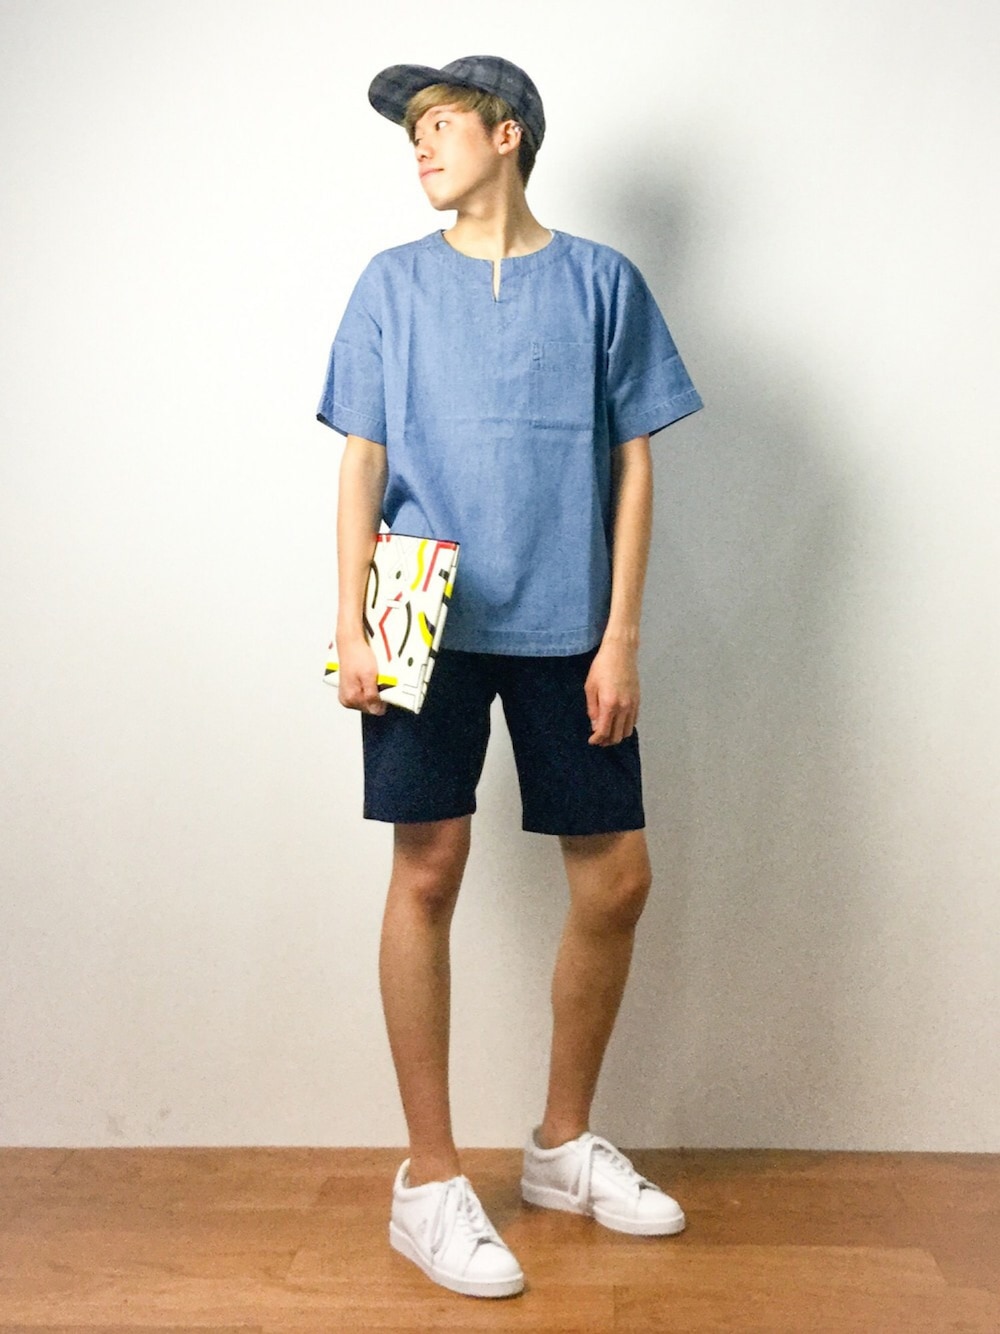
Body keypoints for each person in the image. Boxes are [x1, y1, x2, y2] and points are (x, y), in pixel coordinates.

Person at [317, 54, 703, 1300]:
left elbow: (633, 461)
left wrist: (621, 633)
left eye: (439, 124)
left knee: (616, 874)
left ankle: (560, 1146)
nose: (419, 147)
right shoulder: (390, 283)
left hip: (565, 609)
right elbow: (361, 459)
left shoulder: (601, 282)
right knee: (426, 866)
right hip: (415, 603)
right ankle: (429, 1179)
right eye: (411, 131)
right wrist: (352, 621)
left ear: (508, 133)